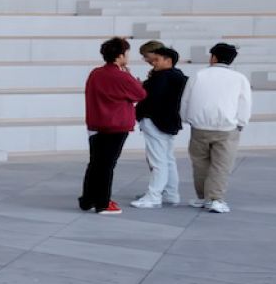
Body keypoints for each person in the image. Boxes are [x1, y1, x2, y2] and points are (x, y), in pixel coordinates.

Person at [181, 43, 251, 214]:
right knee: (221, 166)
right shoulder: (239, 78)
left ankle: (202, 197)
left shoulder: (199, 75)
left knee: (200, 164)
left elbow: (186, 100)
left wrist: (186, 119)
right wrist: (241, 123)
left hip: (199, 127)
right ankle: (215, 199)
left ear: (213, 57)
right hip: (227, 129)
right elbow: (244, 103)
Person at [80, 36, 144, 214]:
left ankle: (88, 199)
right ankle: (102, 202)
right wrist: (129, 75)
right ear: (121, 55)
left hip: (95, 124)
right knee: (107, 166)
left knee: (95, 164)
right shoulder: (121, 76)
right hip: (115, 126)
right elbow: (140, 94)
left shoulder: (95, 73)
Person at [130, 44, 187, 209]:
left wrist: (141, 88)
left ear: (168, 60)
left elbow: (150, 98)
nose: (152, 63)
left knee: (158, 161)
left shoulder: (162, 77)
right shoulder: (177, 76)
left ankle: (154, 196)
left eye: (156, 60)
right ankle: (170, 194)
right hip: (167, 123)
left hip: (156, 122)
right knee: (168, 160)